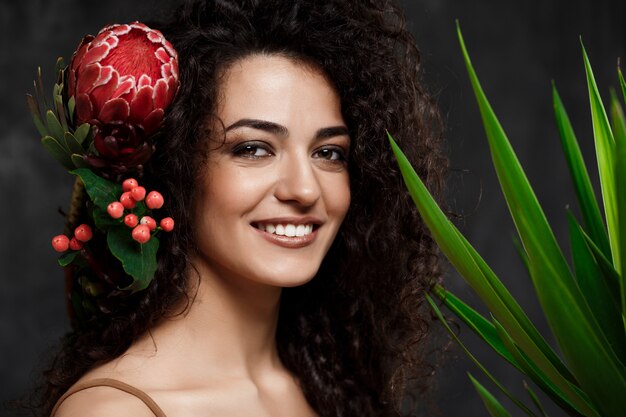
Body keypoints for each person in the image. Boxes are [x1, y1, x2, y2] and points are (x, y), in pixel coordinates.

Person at [36, 0, 447, 416]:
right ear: (176, 167)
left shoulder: (330, 384)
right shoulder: (116, 411)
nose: (305, 189)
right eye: (253, 149)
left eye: (329, 152)